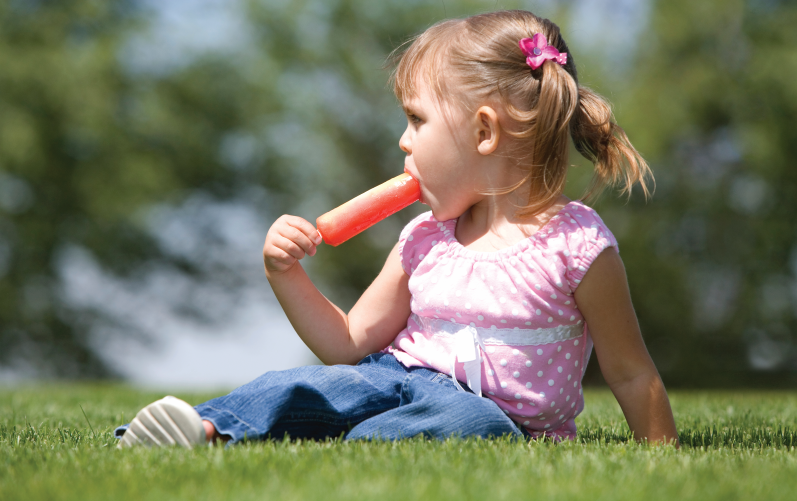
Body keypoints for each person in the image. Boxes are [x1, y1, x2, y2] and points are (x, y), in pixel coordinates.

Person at [116, 10, 679, 448]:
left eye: (417, 120)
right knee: (310, 388)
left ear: (485, 132)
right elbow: (348, 343)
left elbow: (630, 372)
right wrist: (285, 273)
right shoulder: (425, 238)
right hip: (392, 376)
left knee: (465, 422)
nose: (404, 141)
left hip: (498, 417)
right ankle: (206, 430)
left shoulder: (576, 246)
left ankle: (348, 448)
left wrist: (662, 458)